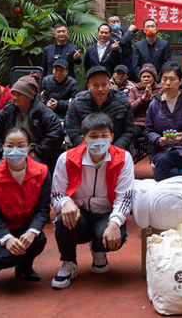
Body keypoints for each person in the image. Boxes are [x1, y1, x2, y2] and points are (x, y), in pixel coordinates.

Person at [51, 113, 134, 289]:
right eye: (93, 136)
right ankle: (68, 263)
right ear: (83, 139)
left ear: (112, 137)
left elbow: (125, 197)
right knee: (61, 220)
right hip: (78, 213)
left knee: (118, 233)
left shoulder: (123, 158)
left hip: (106, 212)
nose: (99, 140)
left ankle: (99, 250)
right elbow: (57, 193)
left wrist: (115, 223)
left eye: (104, 135)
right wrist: (66, 203)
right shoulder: (66, 159)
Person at [0, 127, 51, 289]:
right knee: (9, 256)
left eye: (20, 145)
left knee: (39, 240)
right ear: (3, 147)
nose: (15, 150)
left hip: (25, 226)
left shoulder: (42, 172)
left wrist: (32, 231)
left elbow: (43, 209)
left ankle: (24, 267)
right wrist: (7, 238)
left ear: (28, 148)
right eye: (9, 145)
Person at [0, 72, 65, 172]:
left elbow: (55, 135)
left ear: (29, 96)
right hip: (9, 153)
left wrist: (36, 152)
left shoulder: (44, 113)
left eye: (19, 95)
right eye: (13, 94)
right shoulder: (6, 112)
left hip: (35, 153)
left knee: (36, 172)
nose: (14, 98)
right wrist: (3, 152)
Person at [145, 62, 182, 181]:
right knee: (171, 171)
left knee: (165, 161)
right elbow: (148, 131)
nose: (168, 83)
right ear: (160, 81)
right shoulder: (154, 104)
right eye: (165, 79)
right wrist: (158, 140)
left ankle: (158, 193)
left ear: (180, 81)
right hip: (161, 151)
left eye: (172, 79)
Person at [66, 66, 136, 153]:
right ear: (89, 87)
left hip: (117, 151)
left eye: (104, 84)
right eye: (95, 85)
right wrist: (90, 151)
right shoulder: (77, 105)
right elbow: (74, 132)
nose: (100, 89)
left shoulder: (123, 104)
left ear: (109, 85)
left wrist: (113, 150)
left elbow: (128, 131)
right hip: (86, 152)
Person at [127, 64, 161, 139]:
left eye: (149, 76)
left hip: (154, 124)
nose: (146, 79)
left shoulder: (160, 90)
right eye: (143, 77)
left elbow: (162, 109)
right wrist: (142, 99)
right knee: (129, 134)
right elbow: (129, 109)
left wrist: (151, 99)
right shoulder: (134, 89)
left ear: (154, 79)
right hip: (137, 124)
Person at [106, 13, 138, 82]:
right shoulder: (109, 36)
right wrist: (130, 31)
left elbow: (135, 26)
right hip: (120, 69)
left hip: (132, 66)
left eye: (118, 21)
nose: (116, 23)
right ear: (108, 24)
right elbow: (121, 42)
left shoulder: (123, 31)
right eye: (113, 22)